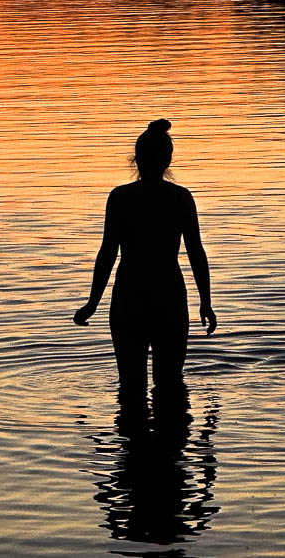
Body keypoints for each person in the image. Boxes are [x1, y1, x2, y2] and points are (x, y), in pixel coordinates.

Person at [74, 119, 217, 396]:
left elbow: (107, 254)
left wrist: (92, 303)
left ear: (136, 159)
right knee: (170, 386)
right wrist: (206, 303)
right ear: (168, 159)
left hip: (130, 298)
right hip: (169, 298)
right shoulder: (180, 198)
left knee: (130, 389)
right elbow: (196, 253)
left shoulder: (120, 198)